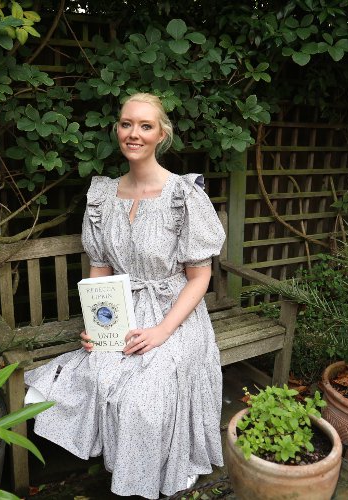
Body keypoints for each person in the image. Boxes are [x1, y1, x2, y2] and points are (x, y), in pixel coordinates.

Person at [24, 92, 226, 499]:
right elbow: (100, 268)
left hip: (174, 314)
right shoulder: (103, 196)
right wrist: (96, 326)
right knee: (95, 374)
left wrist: (161, 332)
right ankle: (127, 464)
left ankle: (165, 468)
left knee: (142, 397)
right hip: (122, 310)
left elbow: (199, 277)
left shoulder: (183, 195)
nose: (134, 133)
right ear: (117, 129)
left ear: (161, 135)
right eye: (126, 124)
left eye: (145, 126)